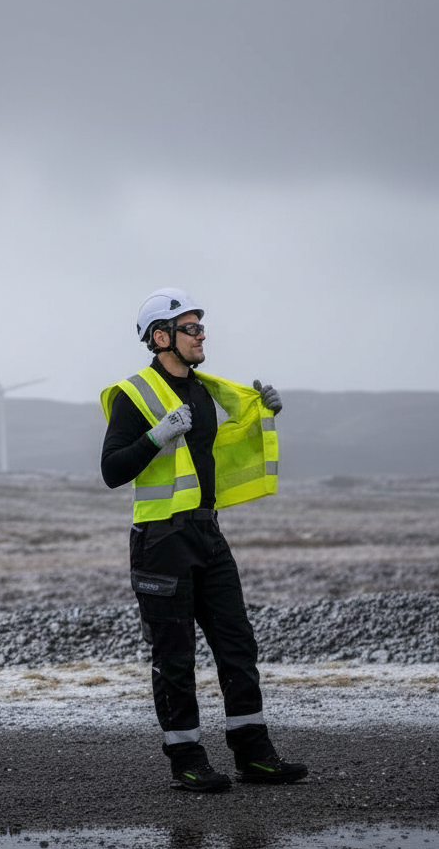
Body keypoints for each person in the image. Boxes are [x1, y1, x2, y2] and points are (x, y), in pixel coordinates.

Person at [100, 287, 307, 792]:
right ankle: (187, 762)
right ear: (161, 337)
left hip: (207, 533)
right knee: (175, 657)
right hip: (160, 540)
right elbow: (111, 471)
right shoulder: (133, 395)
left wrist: (264, 413)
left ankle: (254, 756)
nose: (201, 335)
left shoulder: (204, 391)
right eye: (190, 327)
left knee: (237, 643)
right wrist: (157, 435)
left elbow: (218, 451)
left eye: (200, 326)